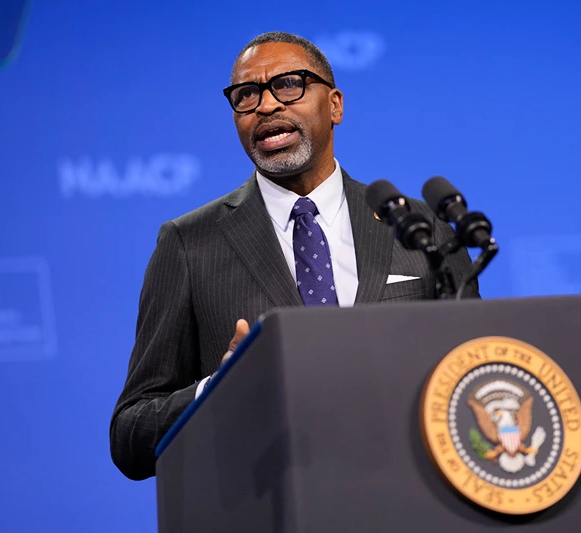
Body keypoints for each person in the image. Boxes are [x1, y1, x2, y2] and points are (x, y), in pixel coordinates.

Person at [109, 31, 479, 481]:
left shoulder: (422, 230)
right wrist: (217, 389)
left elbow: (476, 378)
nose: (266, 106)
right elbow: (130, 437)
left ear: (335, 105)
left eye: (288, 85)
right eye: (246, 94)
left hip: (410, 498)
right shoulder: (189, 243)